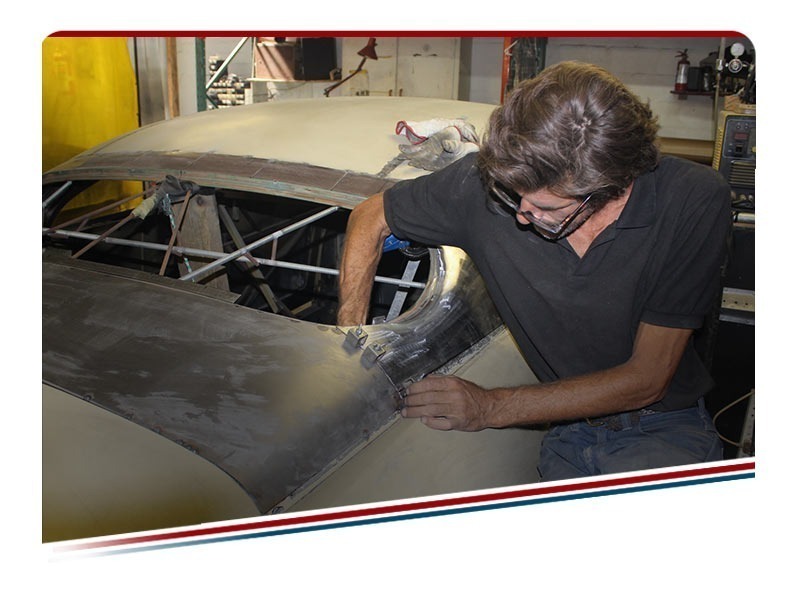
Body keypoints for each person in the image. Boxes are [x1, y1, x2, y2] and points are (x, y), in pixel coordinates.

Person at [337, 61, 730, 480]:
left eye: (544, 207)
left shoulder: (691, 200)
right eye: (513, 195)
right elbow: (370, 216)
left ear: (608, 187)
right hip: (568, 431)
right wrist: (349, 341)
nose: (521, 216)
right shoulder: (484, 186)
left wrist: (489, 407)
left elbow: (647, 377)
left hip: (662, 428)